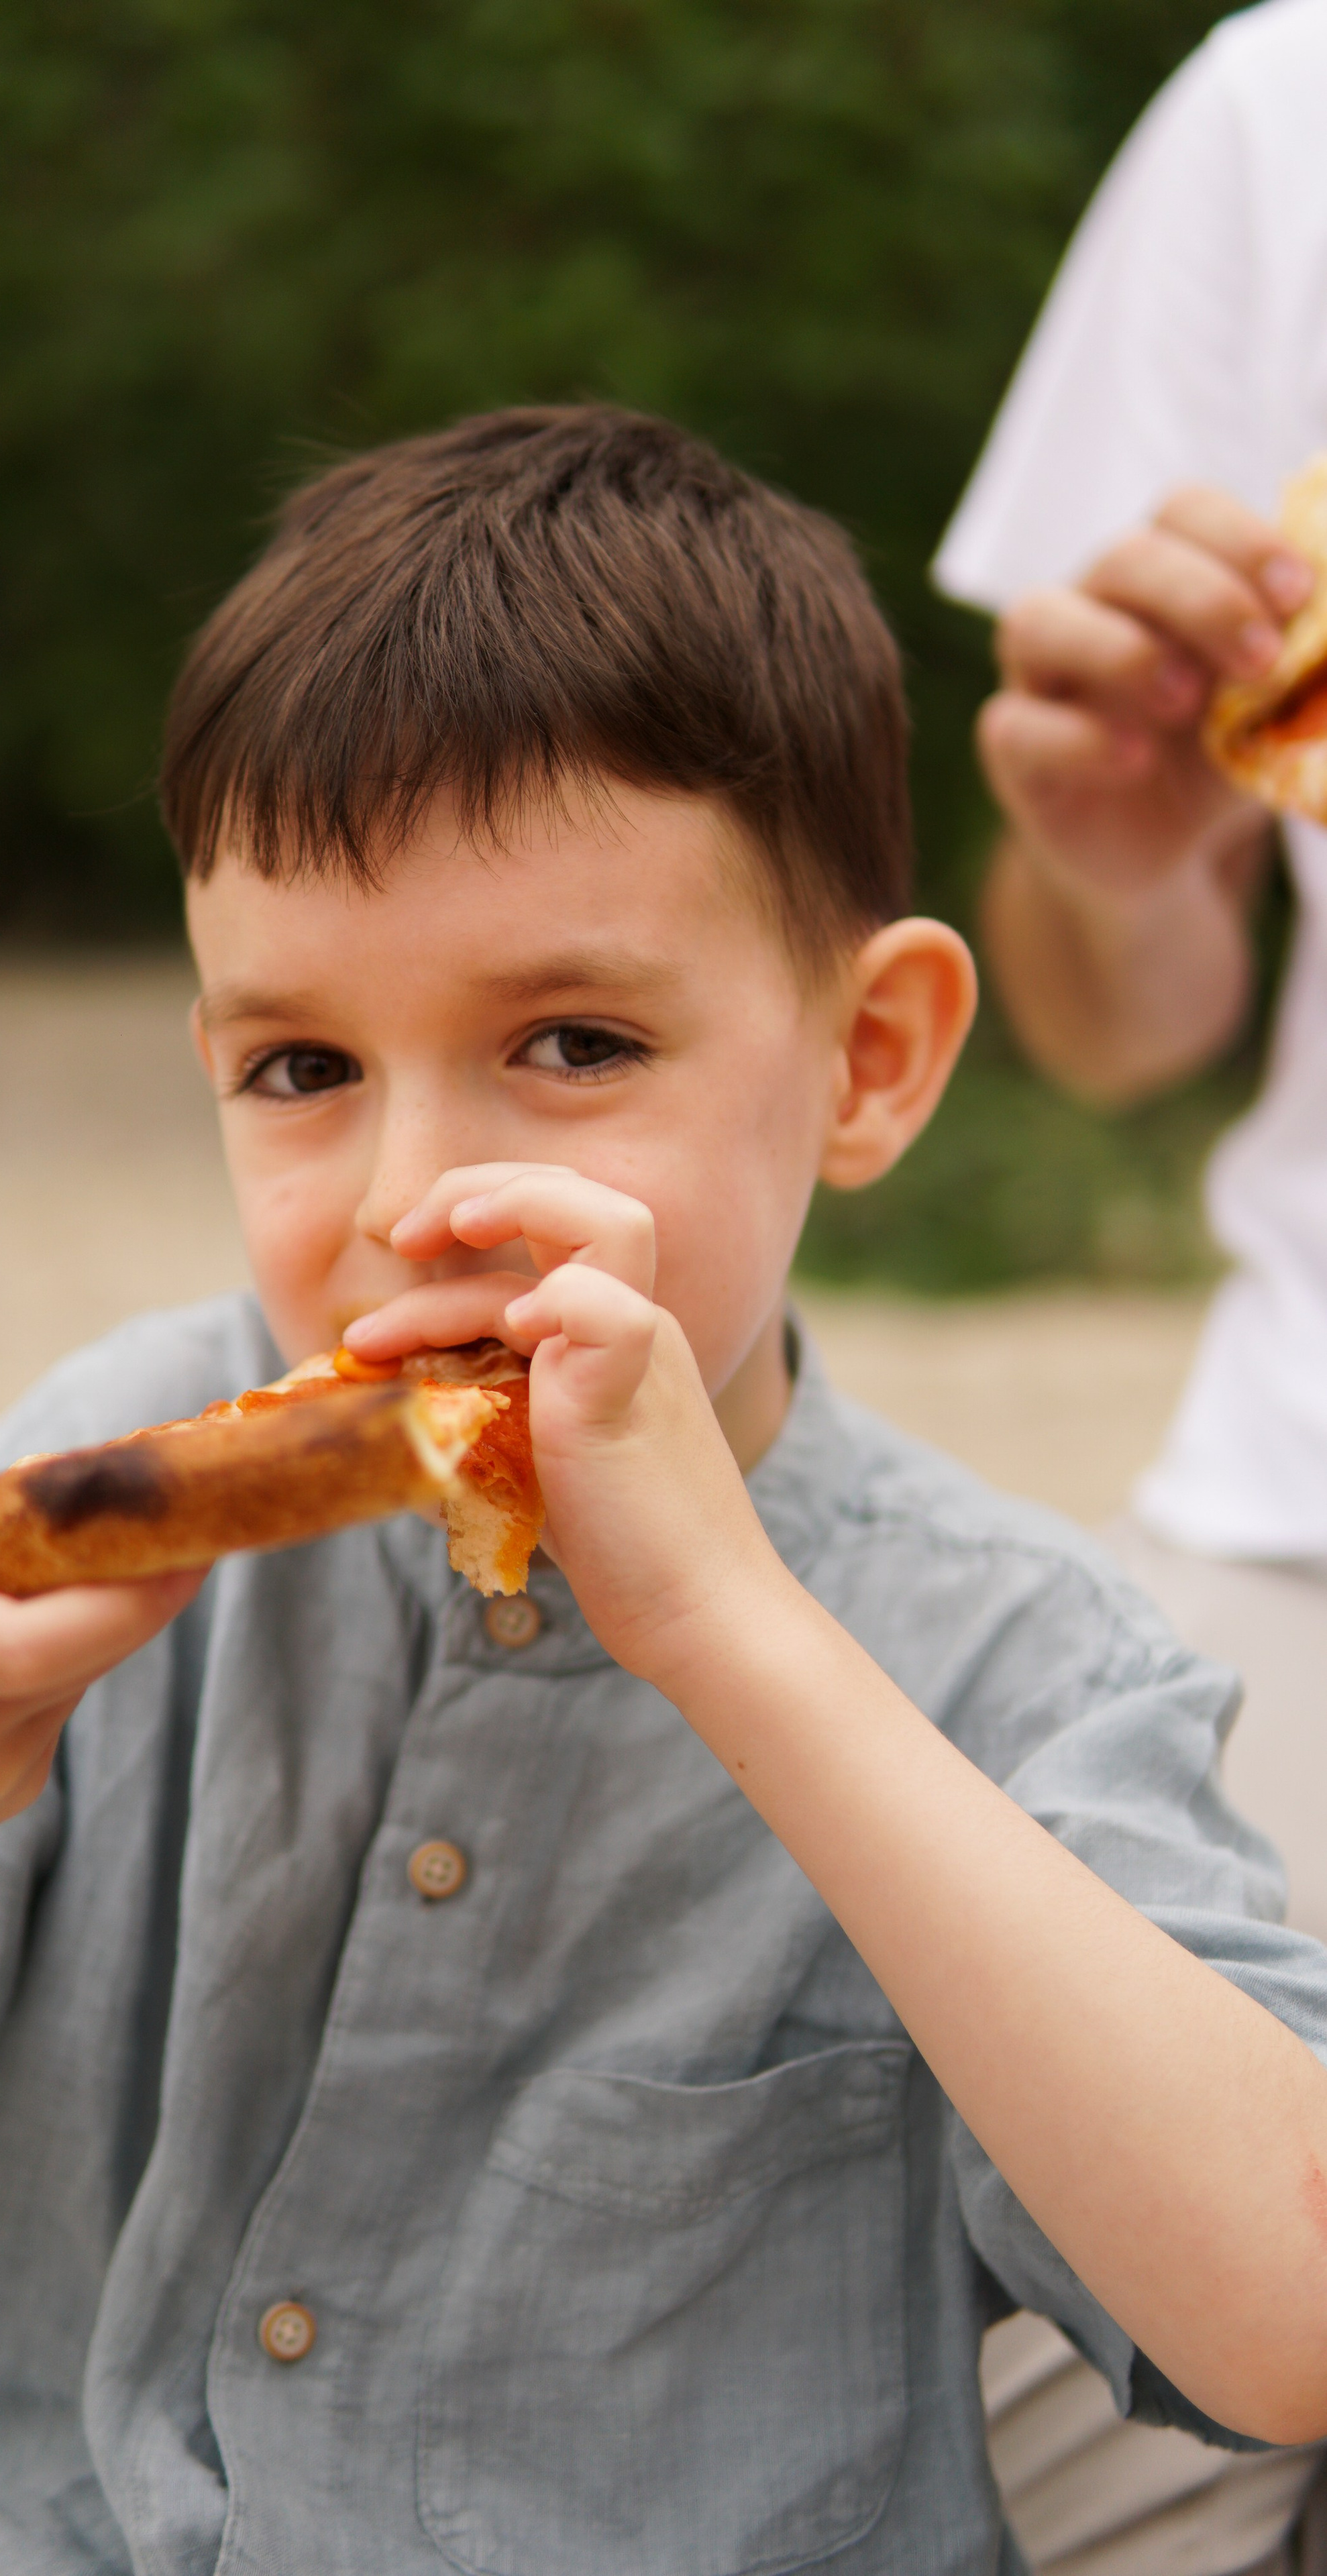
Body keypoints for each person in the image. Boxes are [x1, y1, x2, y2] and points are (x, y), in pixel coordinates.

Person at [0, 407, 1327, 2574]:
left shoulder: (1015, 1658)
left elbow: (1283, 2332)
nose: (414, 1201)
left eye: (576, 1044)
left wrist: (736, 1635)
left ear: (870, 1060)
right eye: (303, 1071)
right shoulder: (115, 1489)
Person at [934, 4, 1327, 2561]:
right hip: (1312, 1504)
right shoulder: (1295, 111)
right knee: (1058, 2401)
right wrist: (1122, 853)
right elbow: (1112, 1026)